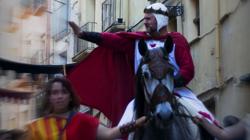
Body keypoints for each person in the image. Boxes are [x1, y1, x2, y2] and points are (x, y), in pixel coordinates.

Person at [68, 2, 215, 126]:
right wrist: (83, 34)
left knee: (206, 119)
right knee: (122, 128)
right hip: (145, 96)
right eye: (144, 19)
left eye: (149, 19)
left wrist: (168, 84)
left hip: (177, 92)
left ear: (161, 20)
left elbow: (188, 69)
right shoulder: (136, 41)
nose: (145, 22)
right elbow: (112, 40)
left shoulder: (177, 40)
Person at [26, 77, 146, 140]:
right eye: (55, 93)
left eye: (64, 92)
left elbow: (110, 134)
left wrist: (137, 123)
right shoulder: (36, 128)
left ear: (70, 97)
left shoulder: (83, 121)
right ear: (49, 97)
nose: (60, 96)